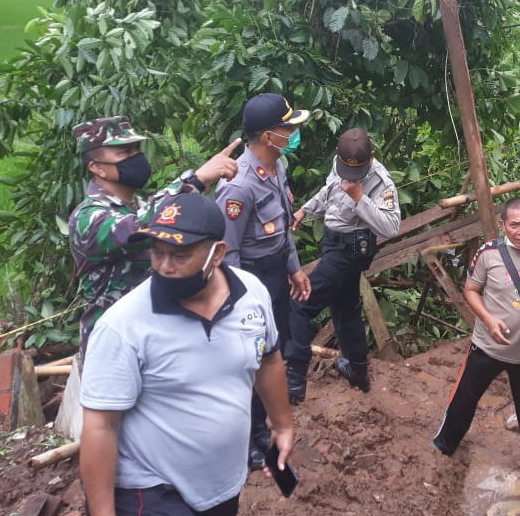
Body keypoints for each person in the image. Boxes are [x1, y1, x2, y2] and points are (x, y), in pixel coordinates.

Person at [79, 193, 294, 516]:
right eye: (157, 253)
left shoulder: (252, 295)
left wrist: (282, 425)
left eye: (180, 256)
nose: (165, 267)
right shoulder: (123, 326)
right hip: (151, 489)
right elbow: (100, 426)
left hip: (222, 485)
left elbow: (269, 359)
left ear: (218, 253)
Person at [69, 116, 240, 362]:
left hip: (157, 340)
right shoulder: (87, 217)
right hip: (112, 349)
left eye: (137, 149)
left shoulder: (141, 205)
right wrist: (195, 181)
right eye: (124, 152)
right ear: (96, 166)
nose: (135, 157)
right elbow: (136, 229)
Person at [213, 93, 311, 470]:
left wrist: (294, 268)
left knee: (272, 352)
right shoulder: (238, 186)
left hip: (273, 274)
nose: (295, 132)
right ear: (269, 136)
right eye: (289, 128)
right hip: (248, 278)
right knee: (248, 359)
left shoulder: (277, 168)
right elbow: (228, 251)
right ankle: (248, 436)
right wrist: (240, 301)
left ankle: (261, 427)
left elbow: (282, 229)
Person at [432, 197, 520, 466]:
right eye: (514, 225)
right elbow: (470, 290)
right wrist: (488, 320)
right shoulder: (488, 253)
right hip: (487, 345)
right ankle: (444, 444)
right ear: (503, 225)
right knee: (464, 397)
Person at [286, 128, 401, 403]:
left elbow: (391, 226)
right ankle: (358, 371)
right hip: (332, 241)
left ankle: (293, 381)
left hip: (351, 249)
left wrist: (360, 197)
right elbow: (328, 191)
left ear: (370, 157)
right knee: (345, 306)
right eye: (345, 170)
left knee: (301, 303)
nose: (349, 176)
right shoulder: (340, 164)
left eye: (356, 171)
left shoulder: (381, 182)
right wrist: (304, 210)